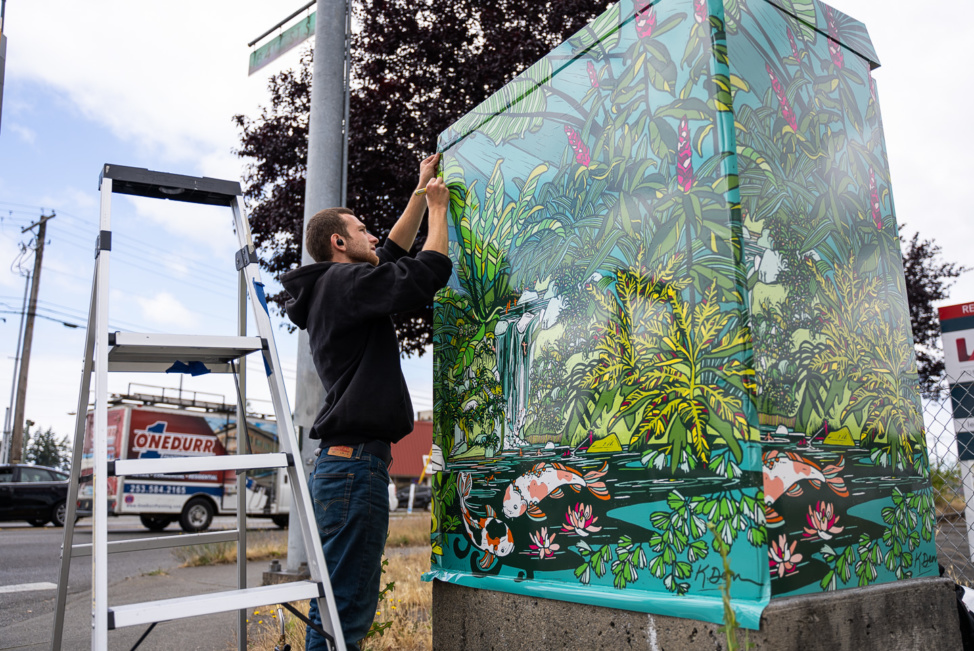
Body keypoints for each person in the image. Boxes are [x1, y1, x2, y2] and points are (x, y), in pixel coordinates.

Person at [281, 153, 452, 651]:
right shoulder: (345, 283)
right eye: (361, 230)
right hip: (355, 470)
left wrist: (420, 189)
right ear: (338, 242)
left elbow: (393, 253)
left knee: (333, 609)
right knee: (345, 618)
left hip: (343, 467)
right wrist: (439, 209)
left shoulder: (334, 289)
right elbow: (424, 273)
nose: (373, 236)